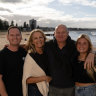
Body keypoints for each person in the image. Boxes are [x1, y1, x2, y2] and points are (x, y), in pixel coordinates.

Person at [44, 24, 95, 96]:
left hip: (71, 88)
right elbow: (34, 47)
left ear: (68, 33)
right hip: (53, 87)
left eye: (63, 32)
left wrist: (92, 53)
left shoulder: (74, 45)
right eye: (58, 32)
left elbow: (85, 47)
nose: (60, 34)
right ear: (54, 33)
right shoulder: (47, 46)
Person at [22, 29, 51, 96]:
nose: (39, 40)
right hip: (35, 90)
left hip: (48, 88)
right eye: (35, 38)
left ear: (44, 38)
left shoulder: (47, 52)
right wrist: (44, 78)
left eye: (40, 37)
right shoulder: (30, 57)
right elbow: (27, 80)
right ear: (32, 42)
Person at [0, 26, 27, 96]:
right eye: (12, 35)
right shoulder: (2, 55)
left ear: (21, 36)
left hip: (23, 92)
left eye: (17, 35)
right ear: (7, 37)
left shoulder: (24, 52)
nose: (15, 37)